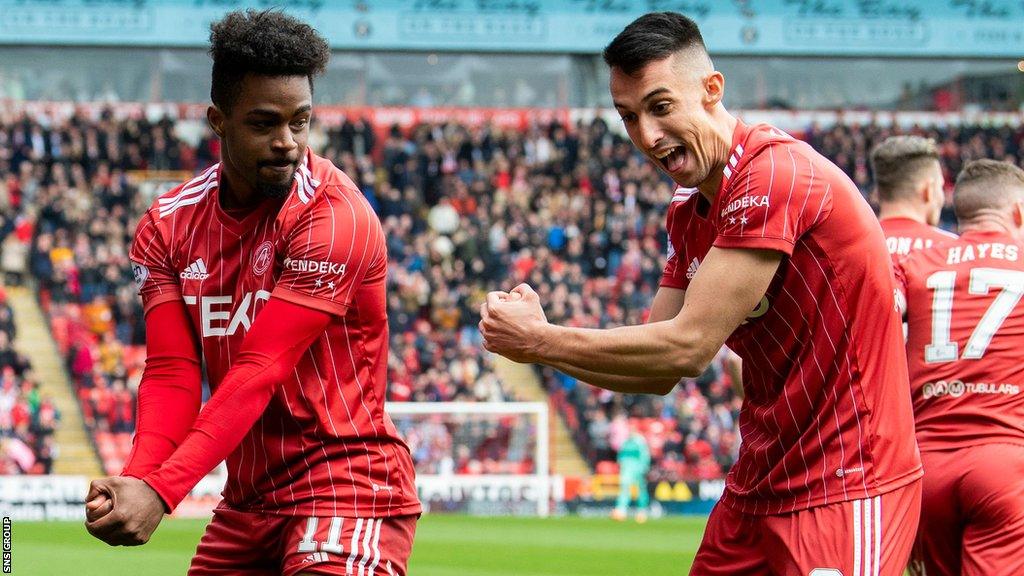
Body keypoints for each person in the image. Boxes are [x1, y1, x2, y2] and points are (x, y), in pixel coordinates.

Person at [479, 12, 921, 575]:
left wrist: (540, 340)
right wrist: (540, 344)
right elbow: (655, 369)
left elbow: (685, 348)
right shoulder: (689, 214)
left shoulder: (774, 174)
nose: (647, 136)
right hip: (759, 488)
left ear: (713, 90)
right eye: (629, 117)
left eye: (660, 108)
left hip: (848, 482)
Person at [83, 10, 421, 575]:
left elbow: (261, 367)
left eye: (300, 122)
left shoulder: (335, 217)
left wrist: (162, 491)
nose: (287, 142)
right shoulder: (166, 226)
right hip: (249, 502)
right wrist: (138, 479)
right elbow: (171, 373)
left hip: (346, 486)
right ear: (218, 120)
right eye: (264, 124)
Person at [894, 160, 1024, 576]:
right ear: (1018, 212)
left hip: (926, 469)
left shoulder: (916, 264)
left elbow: (866, 321)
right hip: (1005, 464)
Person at [870, 135, 957, 260]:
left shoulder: (854, 246)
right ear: (928, 190)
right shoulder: (952, 250)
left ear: (878, 193)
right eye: (940, 187)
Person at [612, 420, 651, 523]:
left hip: (638, 469)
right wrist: (620, 465)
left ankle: (642, 511)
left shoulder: (640, 441)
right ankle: (621, 510)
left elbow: (645, 455)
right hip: (626, 469)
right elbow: (620, 456)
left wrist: (644, 468)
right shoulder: (625, 442)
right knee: (624, 488)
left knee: (641, 489)